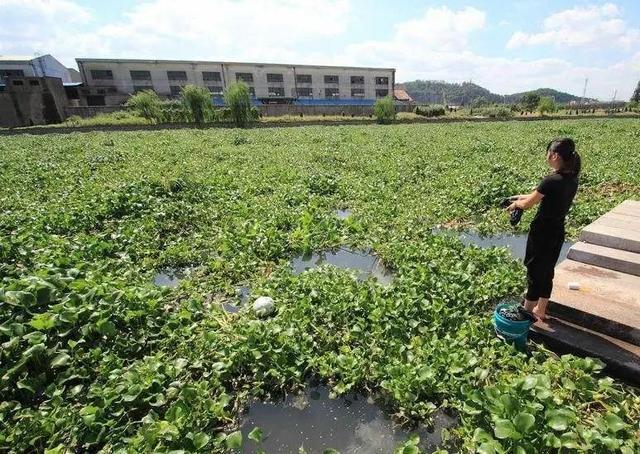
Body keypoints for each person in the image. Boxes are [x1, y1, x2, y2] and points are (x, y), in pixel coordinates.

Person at [507, 138, 581, 320]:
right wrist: (518, 198)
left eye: (548, 153)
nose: (547, 156)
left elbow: (527, 204)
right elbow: (537, 196)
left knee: (534, 270)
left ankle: (525, 314)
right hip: (557, 231)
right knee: (547, 270)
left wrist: (516, 204)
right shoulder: (571, 179)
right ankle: (541, 310)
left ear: (555, 155)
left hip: (542, 233)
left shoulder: (551, 180)